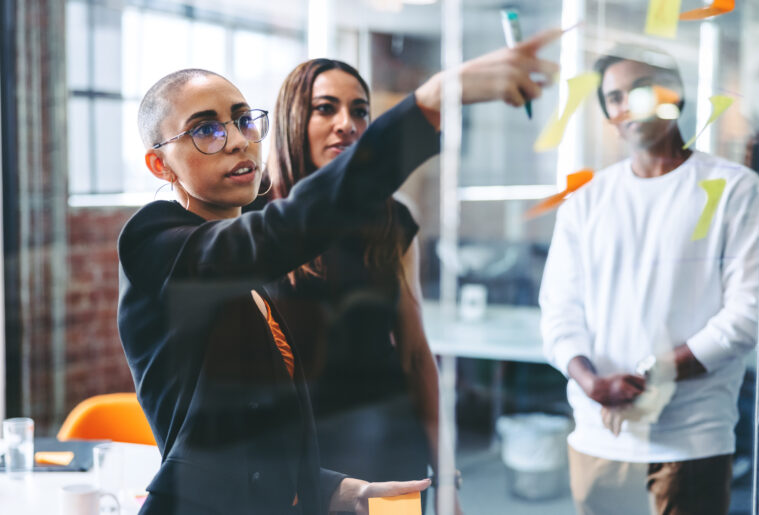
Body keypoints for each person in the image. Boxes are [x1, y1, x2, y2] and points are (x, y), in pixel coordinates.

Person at [117, 29, 561, 515]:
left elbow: (242, 433)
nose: (238, 141)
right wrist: (427, 105)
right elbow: (284, 230)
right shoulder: (156, 243)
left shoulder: (269, 259)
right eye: (206, 129)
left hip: (356, 461)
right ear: (160, 165)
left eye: (244, 121)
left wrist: (328, 488)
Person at [539, 45, 759, 515]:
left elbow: (748, 314)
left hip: (689, 439)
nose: (625, 106)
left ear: (673, 94)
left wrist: (648, 376)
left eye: (639, 90)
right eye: (614, 97)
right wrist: (590, 381)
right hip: (597, 435)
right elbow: (558, 310)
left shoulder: (734, 188)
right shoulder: (587, 200)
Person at [254, 58, 437, 499]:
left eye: (359, 111)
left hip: (393, 451)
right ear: (293, 117)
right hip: (298, 459)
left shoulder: (392, 217)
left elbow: (414, 354)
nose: (347, 124)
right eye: (326, 108)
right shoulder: (253, 220)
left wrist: (447, 475)